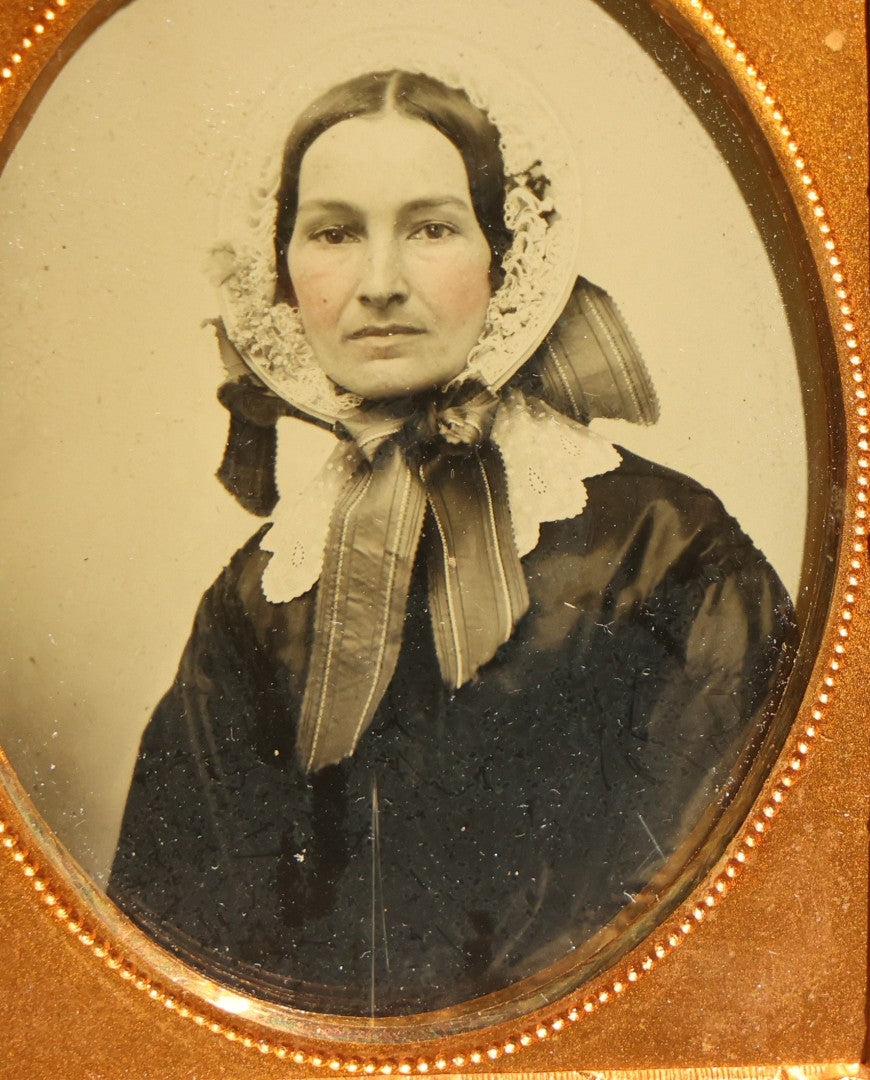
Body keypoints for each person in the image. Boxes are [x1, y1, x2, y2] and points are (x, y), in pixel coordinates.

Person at [108, 69, 796, 1017]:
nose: (379, 284)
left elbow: (726, 933)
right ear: (283, 271)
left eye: (431, 227)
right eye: (336, 232)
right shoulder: (258, 596)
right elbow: (173, 948)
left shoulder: (667, 550)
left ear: (504, 256)